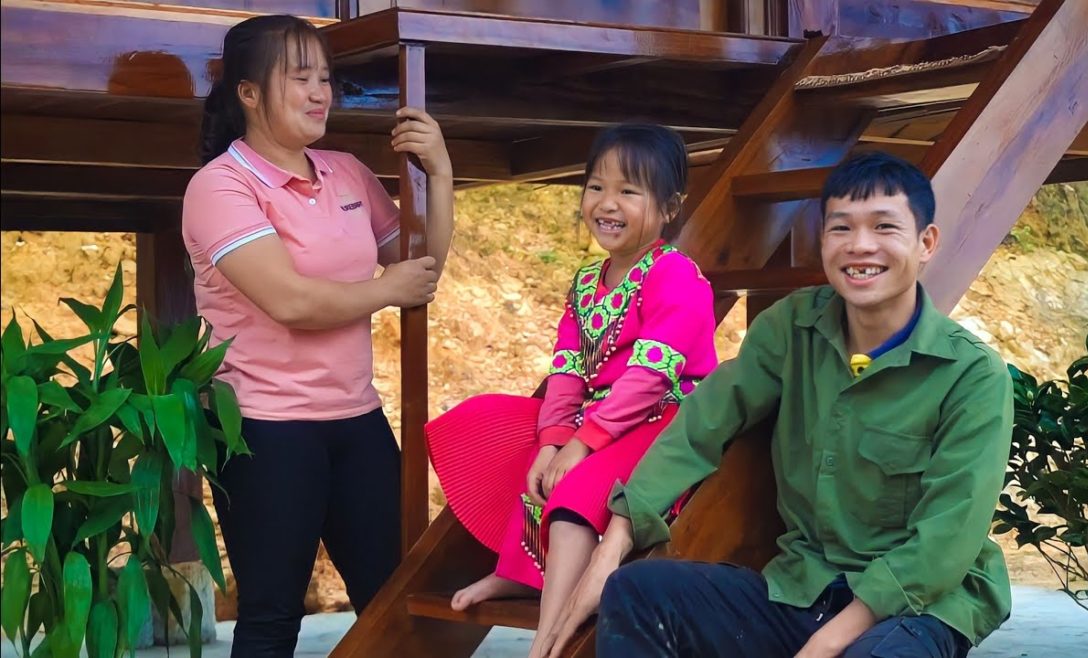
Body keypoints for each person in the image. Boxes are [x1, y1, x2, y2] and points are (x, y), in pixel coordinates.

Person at [543, 151, 1014, 658]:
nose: (860, 246)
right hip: (804, 585)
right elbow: (703, 422)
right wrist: (614, 542)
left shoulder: (971, 375)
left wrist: (823, 645)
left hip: (919, 606)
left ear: (926, 243)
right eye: (841, 228)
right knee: (638, 591)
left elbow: (946, 539)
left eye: (884, 227)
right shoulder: (792, 328)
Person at [181, 14, 454, 657]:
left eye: (325, 78)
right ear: (248, 93)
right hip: (263, 428)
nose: (319, 92)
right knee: (274, 616)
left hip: (356, 421)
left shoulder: (347, 173)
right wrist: (388, 288)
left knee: (396, 603)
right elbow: (291, 301)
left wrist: (440, 173)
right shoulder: (221, 186)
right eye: (299, 78)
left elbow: (421, 267)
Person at [425, 124, 719, 658]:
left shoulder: (675, 276)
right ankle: (520, 574)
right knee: (509, 446)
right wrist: (552, 438)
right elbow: (566, 369)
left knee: (578, 488)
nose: (607, 203)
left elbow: (651, 374)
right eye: (596, 187)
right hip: (600, 419)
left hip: (664, 419)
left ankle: (549, 637)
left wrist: (582, 443)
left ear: (670, 206)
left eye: (629, 191)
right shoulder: (587, 281)